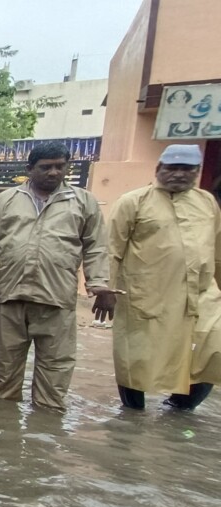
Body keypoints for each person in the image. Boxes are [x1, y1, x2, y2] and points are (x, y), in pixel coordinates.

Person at [0, 142, 115, 412]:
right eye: (46, 167)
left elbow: (96, 246)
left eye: (60, 166)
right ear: (30, 169)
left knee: (55, 372)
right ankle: (4, 432)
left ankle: (46, 428)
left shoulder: (82, 201)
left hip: (57, 297)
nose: (53, 172)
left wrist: (99, 284)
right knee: (5, 374)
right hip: (12, 296)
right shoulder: (7, 200)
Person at [110, 144, 221, 410]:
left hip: (202, 294)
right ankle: (132, 416)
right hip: (146, 295)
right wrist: (106, 289)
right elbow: (112, 249)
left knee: (212, 349)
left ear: (197, 172)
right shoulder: (133, 201)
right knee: (135, 359)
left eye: (187, 169)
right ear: (159, 168)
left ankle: (181, 407)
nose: (179, 174)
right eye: (172, 168)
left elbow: (216, 248)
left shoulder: (207, 202)